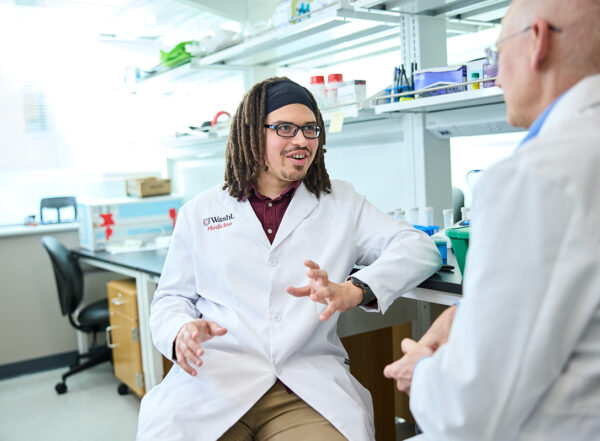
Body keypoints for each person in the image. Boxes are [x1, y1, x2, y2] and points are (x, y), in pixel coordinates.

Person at [137, 77, 442, 441]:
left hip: (302, 386)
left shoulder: (340, 202)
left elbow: (418, 247)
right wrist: (180, 332)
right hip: (215, 380)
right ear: (252, 133)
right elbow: (171, 299)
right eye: (285, 128)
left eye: (310, 128)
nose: (301, 140)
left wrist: (357, 288)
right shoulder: (200, 211)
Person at [384, 0, 600, 440]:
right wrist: (468, 314)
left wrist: (421, 373)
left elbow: (470, 411)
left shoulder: (536, 175)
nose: (496, 75)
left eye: (497, 53)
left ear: (536, 42)